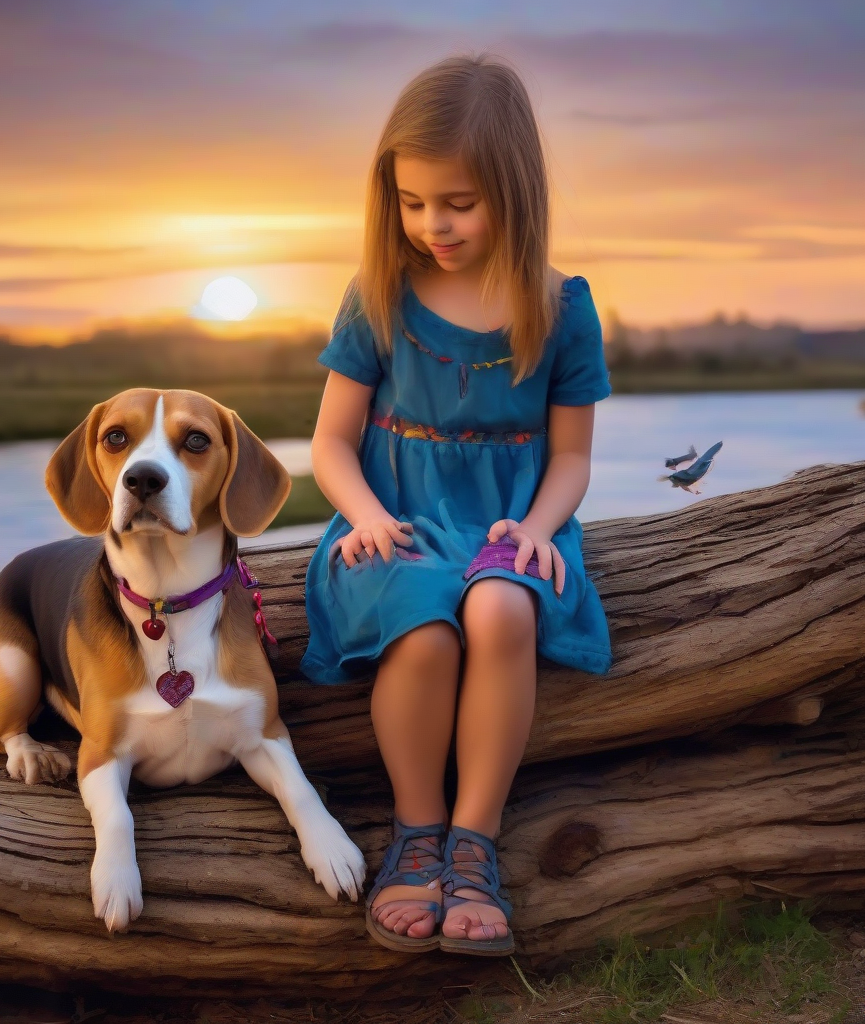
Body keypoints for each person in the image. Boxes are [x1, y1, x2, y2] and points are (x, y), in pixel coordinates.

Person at [300, 54, 612, 956]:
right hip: (391, 518)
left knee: (502, 604)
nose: (432, 224)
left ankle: (475, 844)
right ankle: (416, 834)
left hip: (512, 519)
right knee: (425, 620)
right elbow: (328, 442)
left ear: (513, 192)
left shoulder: (560, 308)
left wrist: (541, 527)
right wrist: (361, 515)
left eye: (458, 203)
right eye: (411, 202)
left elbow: (572, 456)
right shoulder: (379, 296)